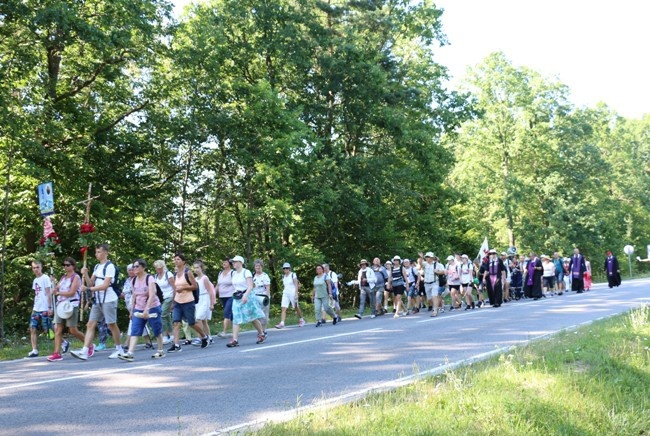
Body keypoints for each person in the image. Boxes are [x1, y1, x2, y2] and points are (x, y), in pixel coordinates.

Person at [71, 244, 123, 360]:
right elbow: (90, 283)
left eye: (99, 252)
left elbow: (105, 285)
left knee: (111, 324)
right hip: (98, 300)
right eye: (96, 252)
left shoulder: (110, 267)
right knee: (90, 324)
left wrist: (89, 289)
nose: (96, 254)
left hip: (109, 299)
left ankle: (119, 348)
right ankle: (85, 351)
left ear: (105, 253)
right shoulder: (96, 267)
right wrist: (85, 274)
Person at [118, 259, 165, 361]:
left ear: (143, 267)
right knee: (135, 330)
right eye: (133, 267)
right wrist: (132, 311)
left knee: (156, 330)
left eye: (136, 266)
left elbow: (152, 295)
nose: (134, 269)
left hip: (152, 307)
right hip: (138, 308)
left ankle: (160, 351)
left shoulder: (150, 278)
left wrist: (147, 309)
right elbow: (134, 296)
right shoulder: (133, 280)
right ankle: (130, 353)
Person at [167, 253, 208, 352]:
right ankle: (176, 345)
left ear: (183, 261)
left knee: (191, 323)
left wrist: (184, 287)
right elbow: (175, 290)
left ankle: (204, 337)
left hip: (188, 301)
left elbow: (195, 286)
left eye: (178, 259)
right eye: (175, 259)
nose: (176, 261)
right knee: (176, 323)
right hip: (177, 301)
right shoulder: (175, 274)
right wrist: (172, 303)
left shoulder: (188, 272)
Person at [48, 257, 86, 361]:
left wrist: (58, 293)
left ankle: (88, 344)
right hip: (60, 305)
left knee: (73, 330)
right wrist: (53, 284)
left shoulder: (76, 277)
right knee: (57, 328)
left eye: (68, 265)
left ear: (73, 266)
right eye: (64, 265)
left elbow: (72, 292)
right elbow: (56, 289)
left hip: (71, 306)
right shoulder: (63, 277)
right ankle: (57, 353)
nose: (65, 267)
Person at [226, 256, 266, 347]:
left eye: (235, 262)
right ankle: (235, 340)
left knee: (252, 317)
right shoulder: (233, 273)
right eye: (232, 262)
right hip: (237, 297)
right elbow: (235, 286)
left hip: (247, 296)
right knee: (236, 318)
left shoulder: (246, 272)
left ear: (240, 262)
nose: (233, 263)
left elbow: (250, 286)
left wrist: (245, 295)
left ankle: (261, 334)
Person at [121, 264, 153, 350]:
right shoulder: (127, 281)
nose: (131, 271)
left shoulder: (139, 280)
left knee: (134, 322)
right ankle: (148, 341)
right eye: (129, 270)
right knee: (139, 322)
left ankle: (127, 343)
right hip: (129, 304)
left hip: (138, 304)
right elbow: (124, 293)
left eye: (132, 269)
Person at [28, 260, 52, 358]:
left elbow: (49, 293)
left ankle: (63, 343)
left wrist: (50, 307)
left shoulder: (45, 278)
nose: (36, 269)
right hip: (36, 308)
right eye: (34, 268)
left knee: (49, 329)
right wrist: (35, 305)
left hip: (45, 307)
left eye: (37, 267)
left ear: (41, 267)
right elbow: (36, 294)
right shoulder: (35, 280)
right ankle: (34, 350)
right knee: (32, 328)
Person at [275, 262, 305, 328]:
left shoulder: (293, 275)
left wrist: (296, 293)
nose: (285, 269)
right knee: (283, 307)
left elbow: (296, 284)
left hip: (293, 292)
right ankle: (282, 323)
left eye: (287, 268)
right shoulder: (283, 276)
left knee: (296, 307)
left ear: (289, 268)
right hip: (285, 293)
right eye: (284, 268)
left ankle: (301, 319)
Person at [193, 260, 216, 345]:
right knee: (203, 320)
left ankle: (201, 337)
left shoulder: (204, 278)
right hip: (198, 299)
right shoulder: (195, 279)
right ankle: (209, 337)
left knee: (198, 318)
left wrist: (212, 303)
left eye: (198, 267)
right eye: (194, 268)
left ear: (201, 268)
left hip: (205, 299)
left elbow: (210, 291)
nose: (196, 269)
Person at [154, 260, 175, 344]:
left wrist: (173, 301)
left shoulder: (168, 274)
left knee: (162, 314)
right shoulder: (155, 276)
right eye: (156, 268)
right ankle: (172, 334)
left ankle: (165, 335)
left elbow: (174, 288)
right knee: (166, 316)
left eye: (159, 268)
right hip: (161, 298)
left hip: (169, 296)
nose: (157, 269)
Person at [215, 258, 236, 337]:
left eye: (225, 262)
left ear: (229, 264)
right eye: (223, 262)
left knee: (226, 312)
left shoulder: (232, 273)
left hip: (231, 296)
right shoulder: (220, 273)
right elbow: (218, 285)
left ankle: (224, 332)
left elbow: (236, 283)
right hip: (222, 296)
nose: (224, 263)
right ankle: (235, 330)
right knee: (231, 315)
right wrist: (213, 294)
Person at [252, 259, 271, 335]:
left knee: (264, 314)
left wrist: (266, 297)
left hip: (263, 297)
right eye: (256, 266)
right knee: (257, 314)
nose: (258, 267)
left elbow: (267, 288)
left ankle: (264, 330)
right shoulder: (252, 275)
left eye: (259, 266)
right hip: (255, 296)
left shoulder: (265, 276)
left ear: (262, 266)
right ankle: (260, 330)